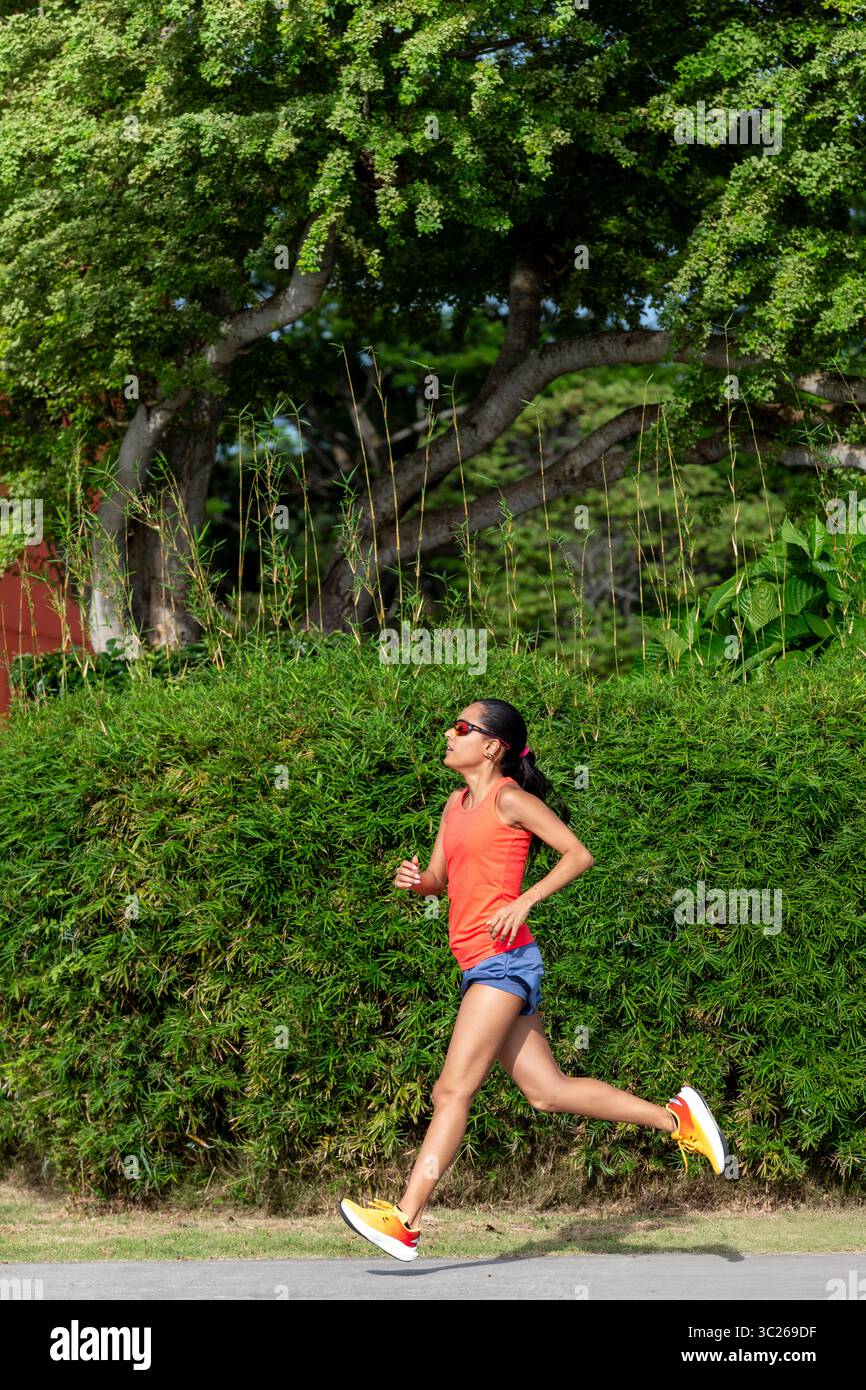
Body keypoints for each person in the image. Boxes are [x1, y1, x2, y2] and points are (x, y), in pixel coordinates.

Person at [339, 699, 729, 1260]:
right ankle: (677, 1119)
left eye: (462, 728)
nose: (450, 734)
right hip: (479, 963)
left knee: (452, 1090)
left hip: (504, 964)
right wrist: (418, 883)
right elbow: (442, 878)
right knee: (547, 1092)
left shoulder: (510, 800)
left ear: (492, 745)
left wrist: (524, 901)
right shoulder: (456, 804)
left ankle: (406, 1220)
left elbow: (577, 854)